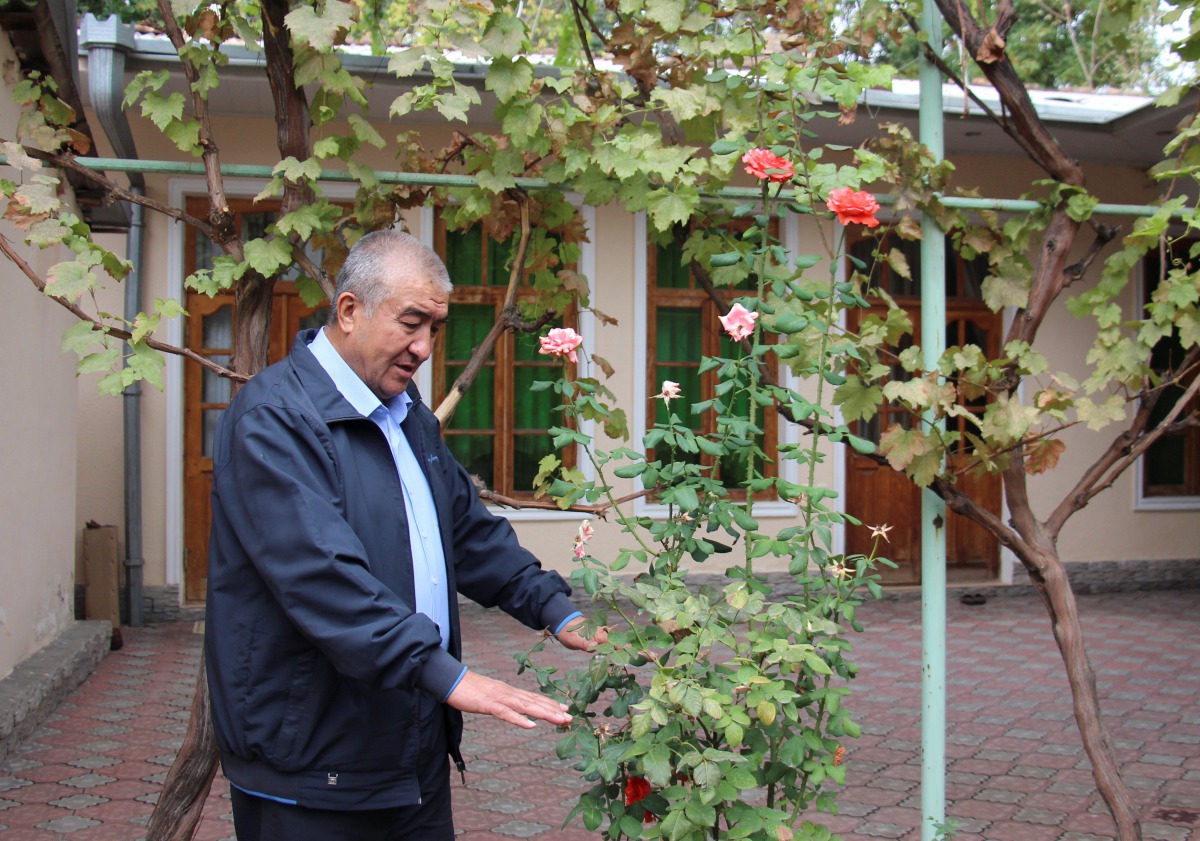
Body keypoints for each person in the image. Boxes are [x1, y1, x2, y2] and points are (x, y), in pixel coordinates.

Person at [204, 228, 603, 841]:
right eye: (410, 323)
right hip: (310, 765)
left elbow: (466, 533)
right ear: (348, 310)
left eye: (434, 329)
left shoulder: (405, 414)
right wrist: (449, 676)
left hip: (408, 748)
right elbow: (320, 577)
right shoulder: (273, 419)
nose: (423, 347)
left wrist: (556, 610)